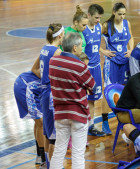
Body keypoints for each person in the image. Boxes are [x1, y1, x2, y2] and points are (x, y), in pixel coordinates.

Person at [49, 32, 95, 169]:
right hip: (78, 114)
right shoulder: (80, 66)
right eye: (81, 46)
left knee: (59, 151)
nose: (82, 48)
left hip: (60, 114)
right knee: (78, 154)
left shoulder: (53, 62)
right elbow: (92, 86)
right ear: (75, 48)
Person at [31, 23, 64, 168]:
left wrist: (45, 78)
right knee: (54, 138)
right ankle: (54, 166)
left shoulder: (44, 49)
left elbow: (34, 69)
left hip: (44, 93)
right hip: (52, 94)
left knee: (47, 132)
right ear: (61, 36)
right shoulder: (57, 52)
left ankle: (46, 163)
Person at [82, 4, 107, 136]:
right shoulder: (83, 30)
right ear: (89, 15)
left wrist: (103, 51)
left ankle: (90, 126)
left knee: (92, 98)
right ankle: (82, 126)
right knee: (83, 99)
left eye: (100, 18)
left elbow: (97, 45)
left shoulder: (99, 27)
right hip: (86, 68)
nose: (98, 20)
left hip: (97, 67)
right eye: (96, 17)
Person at [13, 71, 45, 166]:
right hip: (27, 86)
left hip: (30, 85)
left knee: (38, 122)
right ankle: (43, 160)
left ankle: (40, 155)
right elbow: (35, 69)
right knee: (41, 123)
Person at [102, 2, 134, 86]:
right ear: (114, 12)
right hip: (112, 60)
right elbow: (95, 39)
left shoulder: (127, 23)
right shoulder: (106, 25)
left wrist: (131, 50)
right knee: (111, 88)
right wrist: (103, 51)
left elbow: (130, 37)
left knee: (124, 87)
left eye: (124, 14)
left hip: (125, 59)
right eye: (120, 14)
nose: (122, 17)